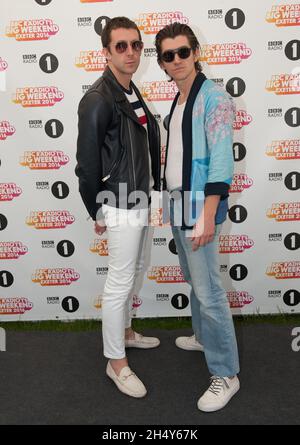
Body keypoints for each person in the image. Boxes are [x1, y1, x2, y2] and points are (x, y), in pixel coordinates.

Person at [155, 23, 240, 412]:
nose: (176, 60)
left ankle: (226, 373)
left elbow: (221, 161)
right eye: (168, 55)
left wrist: (207, 215)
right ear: (162, 62)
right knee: (193, 278)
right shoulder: (179, 98)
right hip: (178, 201)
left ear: (195, 51)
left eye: (182, 52)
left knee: (209, 291)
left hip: (199, 206)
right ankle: (204, 337)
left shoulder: (214, 97)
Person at [75, 16, 161, 398]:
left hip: (141, 197)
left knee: (136, 270)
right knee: (119, 281)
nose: (130, 52)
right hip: (121, 202)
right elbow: (87, 164)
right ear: (106, 52)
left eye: (136, 45)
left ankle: (125, 332)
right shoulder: (98, 97)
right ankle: (115, 361)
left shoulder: (129, 90)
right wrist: (97, 209)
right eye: (121, 46)